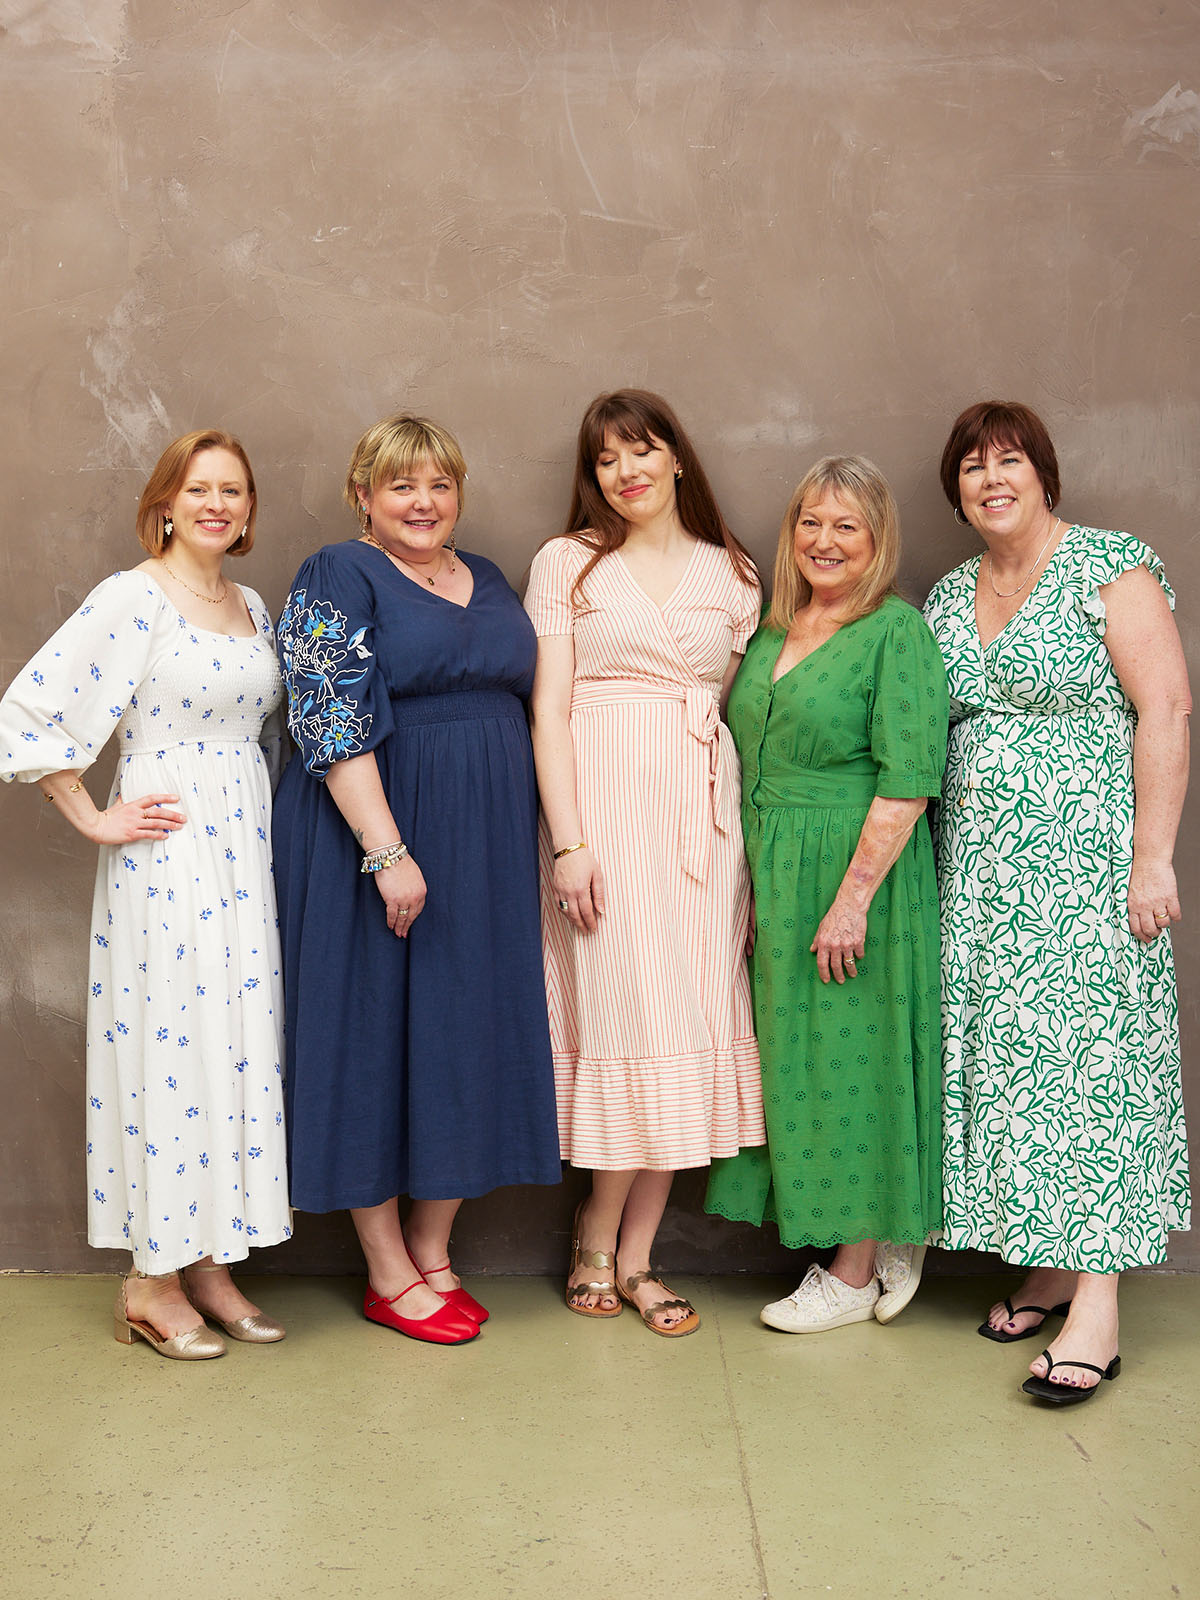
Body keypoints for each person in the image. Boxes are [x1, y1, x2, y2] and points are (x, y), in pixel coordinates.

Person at [0, 429, 291, 1358]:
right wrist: (91, 815)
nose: (217, 503)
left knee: (233, 1047)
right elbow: (28, 709)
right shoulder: (133, 599)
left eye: (233, 491)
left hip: (244, 855)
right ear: (166, 501)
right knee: (173, 1049)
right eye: (199, 488)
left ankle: (208, 1262)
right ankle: (150, 1277)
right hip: (166, 861)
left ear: (248, 511)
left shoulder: (249, 602)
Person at [272, 412, 560, 1346]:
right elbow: (327, 719)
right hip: (381, 830)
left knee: (461, 1032)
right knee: (372, 1033)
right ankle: (387, 1270)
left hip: (487, 839)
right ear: (364, 495)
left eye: (439, 484)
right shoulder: (335, 572)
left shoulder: (488, 575)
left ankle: (435, 1251)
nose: (423, 502)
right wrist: (387, 852)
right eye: (401, 486)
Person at [925, 400, 1191, 1404]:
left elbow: (1165, 704)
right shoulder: (950, 594)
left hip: (1087, 867)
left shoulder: (1107, 565)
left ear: (1044, 473)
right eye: (973, 467)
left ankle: (1100, 1306)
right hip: (982, 878)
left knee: (1090, 1070)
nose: (993, 480)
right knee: (1017, 1071)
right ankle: (1046, 1261)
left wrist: (1151, 857)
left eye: (1011, 461)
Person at [525, 387, 765, 1338]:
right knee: (625, 1013)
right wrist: (572, 841)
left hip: (701, 827)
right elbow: (548, 710)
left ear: (675, 457)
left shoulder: (736, 572)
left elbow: (736, 710)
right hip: (603, 816)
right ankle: (593, 1232)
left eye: (641, 451)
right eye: (607, 461)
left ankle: (638, 1259)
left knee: (688, 1016)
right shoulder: (569, 564)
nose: (626, 473)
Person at [705, 456, 948, 1331]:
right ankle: (882, 1232)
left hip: (855, 872)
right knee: (795, 1063)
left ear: (878, 537)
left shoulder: (897, 632)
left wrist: (851, 901)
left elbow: (909, 778)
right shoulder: (774, 629)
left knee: (855, 1057)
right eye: (811, 521)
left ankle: (850, 1271)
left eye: (847, 525)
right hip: (773, 862)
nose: (825, 540)